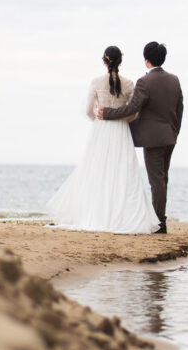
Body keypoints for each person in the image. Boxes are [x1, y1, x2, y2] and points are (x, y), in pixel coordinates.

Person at [47, 46, 159, 233]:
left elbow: (88, 111)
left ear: (104, 61)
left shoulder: (96, 82)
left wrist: (98, 121)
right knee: (122, 173)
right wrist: (123, 120)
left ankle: (95, 213)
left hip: (101, 129)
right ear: (120, 61)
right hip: (121, 130)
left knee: (96, 171)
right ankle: (123, 215)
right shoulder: (129, 83)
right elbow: (134, 112)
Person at [98, 41, 183, 234]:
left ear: (146, 60)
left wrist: (108, 113)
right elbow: (180, 108)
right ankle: (159, 219)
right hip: (170, 136)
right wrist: (175, 131)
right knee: (162, 179)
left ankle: (160, 223)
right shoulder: (174, 80)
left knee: (157, 181)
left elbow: (133, 108)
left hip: (153, 139)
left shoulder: (145, 82)